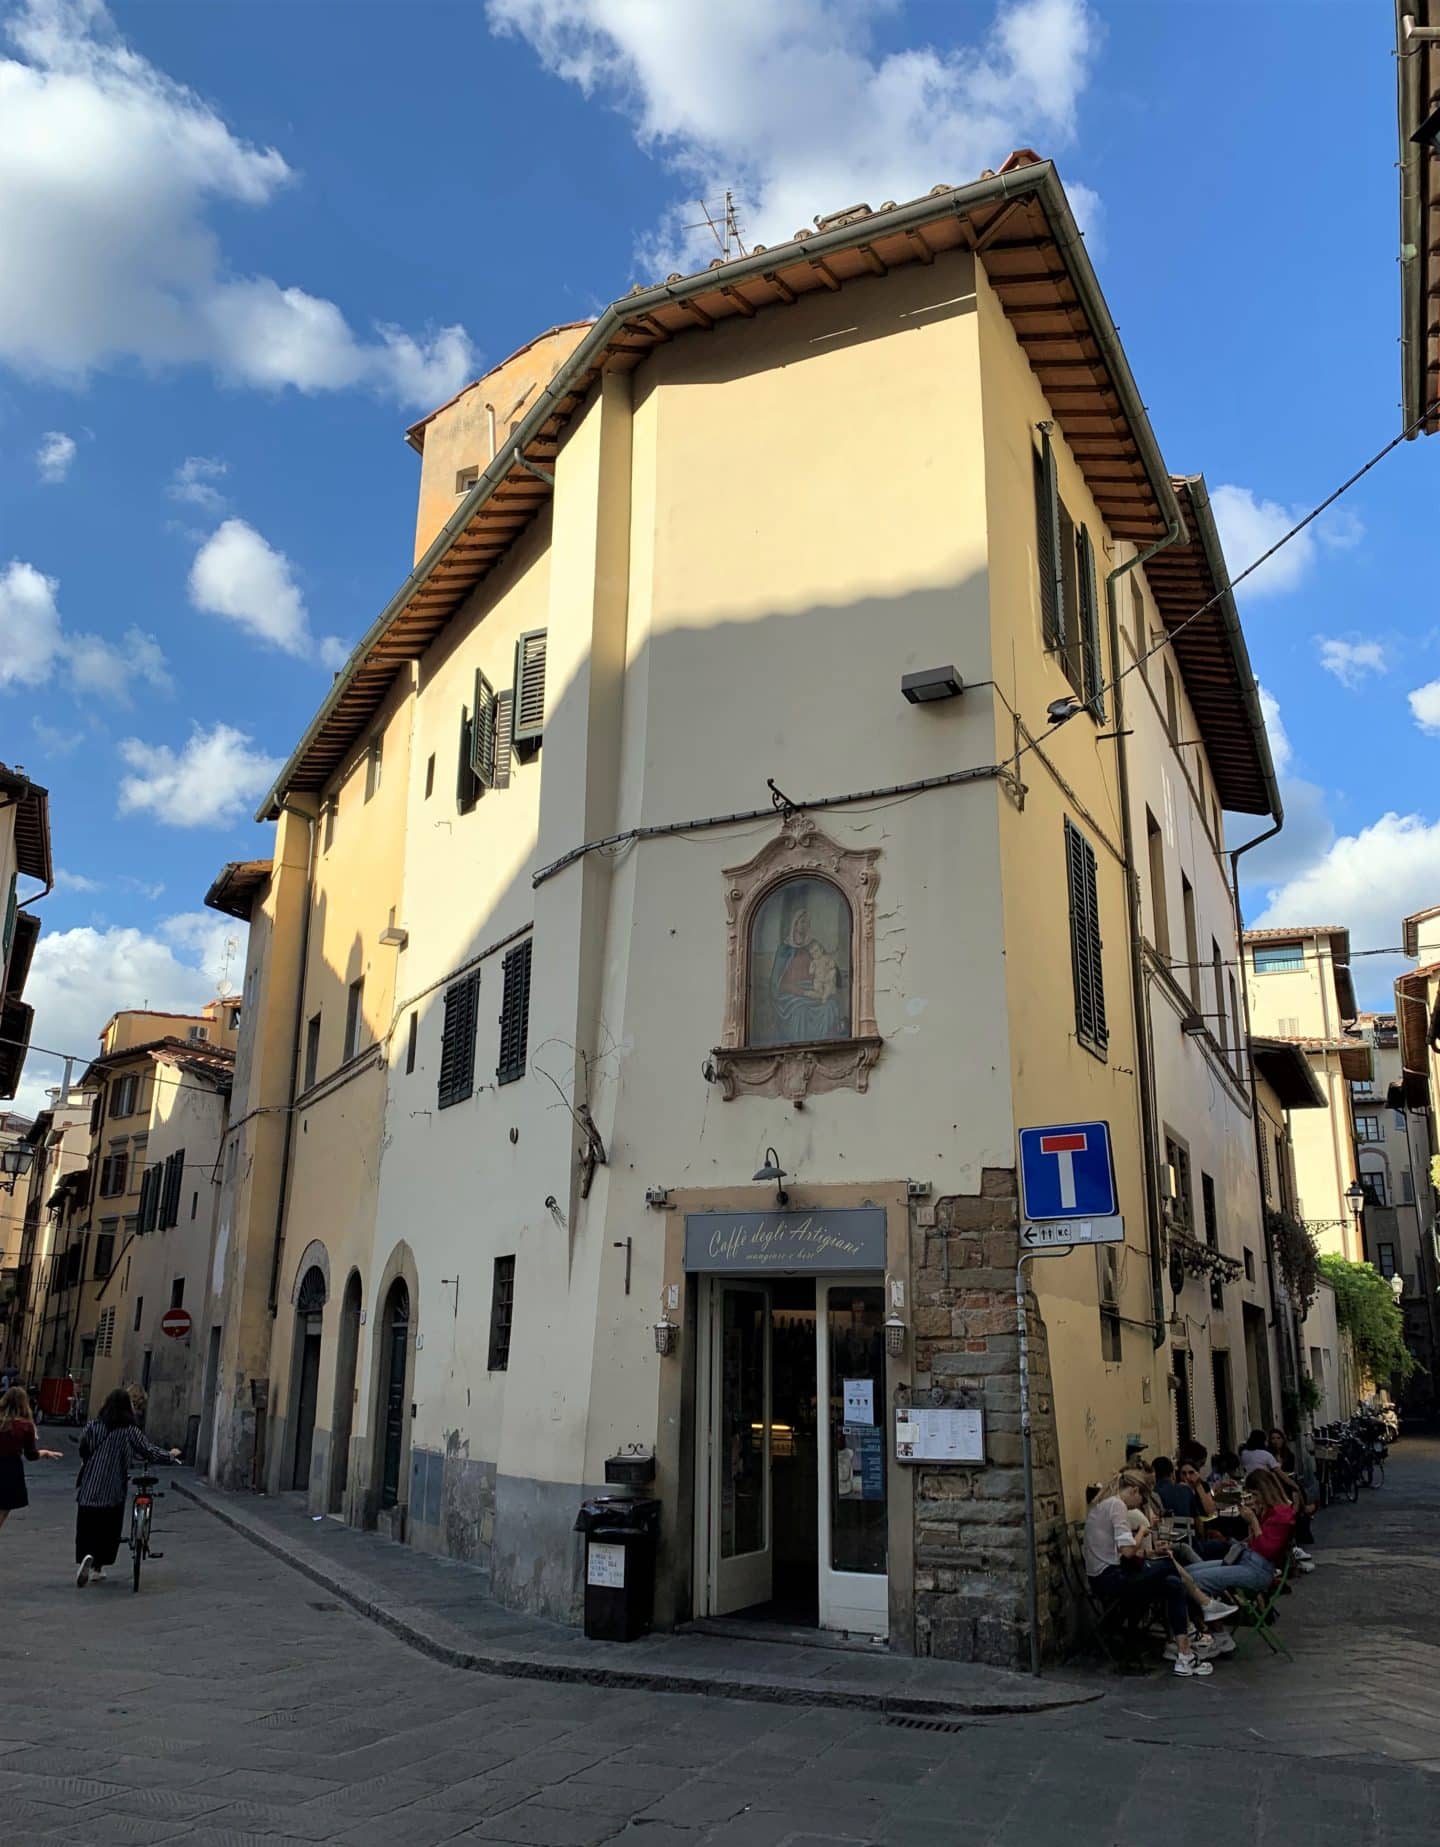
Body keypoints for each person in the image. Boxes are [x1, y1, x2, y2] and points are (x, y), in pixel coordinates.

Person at [1083, 1471, 1214, 1676]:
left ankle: (1184, 1653)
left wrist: (1151, 1552)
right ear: (1134, 1490)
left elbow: (1117, 1550)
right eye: (1141, 1499)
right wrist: (1143, 1531)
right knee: (1168, 1565)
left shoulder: (1105, 1505)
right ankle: (1204, 1604)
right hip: (1110, 1579)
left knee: (1172, 1583)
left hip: (1105, 1576)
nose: (1139, 1504)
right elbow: (1127, 1551)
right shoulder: (1117, 1506)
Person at [74, 1387, 179, 1586]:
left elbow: (83, 1448)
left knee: (88, 1525)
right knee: (108, 1529)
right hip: (113, 1488)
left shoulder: (93, 1426)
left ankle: (87, 1556)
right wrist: (171, 1456)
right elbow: (149, 1451)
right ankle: (98, 1567)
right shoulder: (129, 1431)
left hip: (89, 1485)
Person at [0, 1386, 64, 1530]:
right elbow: (31, 1455)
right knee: (3, 1509)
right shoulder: (25, 1426)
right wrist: (45, 1453)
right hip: (10, 1470)